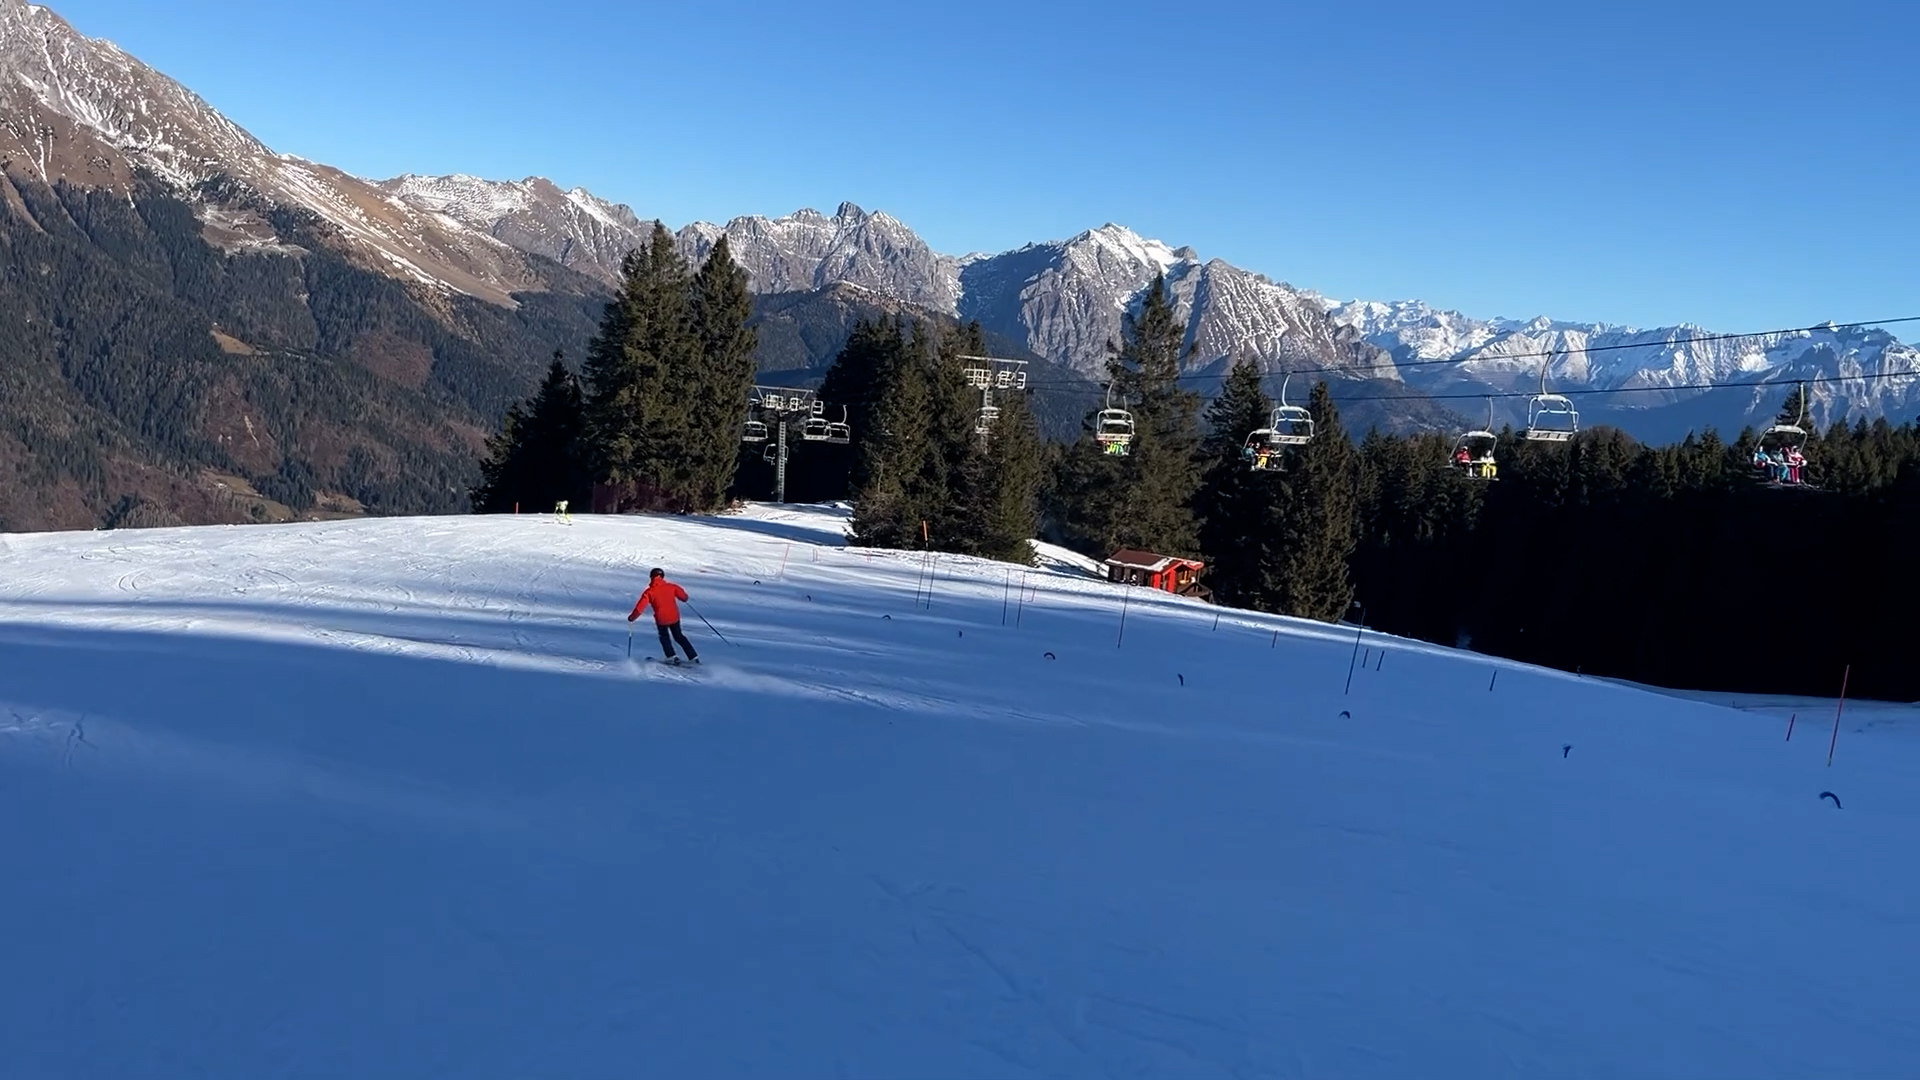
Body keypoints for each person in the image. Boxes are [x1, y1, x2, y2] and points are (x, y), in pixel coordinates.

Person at [629, 567, 698, 664]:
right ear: (662, 576)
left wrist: (632, 618)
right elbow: (684, 597)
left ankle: (671, 656)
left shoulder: (649, 592)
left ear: (651, 577)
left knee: (664, 637)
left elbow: (639, 608)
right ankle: (693, 657)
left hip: (661, 620)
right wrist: (683, 598)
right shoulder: (672, 587)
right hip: (674, 617)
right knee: (679, 636)